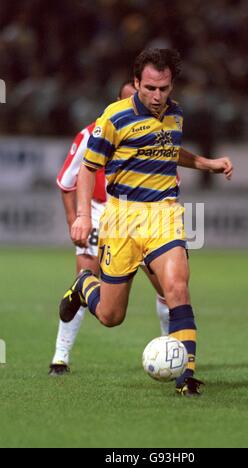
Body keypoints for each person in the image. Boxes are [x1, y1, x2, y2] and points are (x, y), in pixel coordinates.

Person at [59, 49, 233, 396]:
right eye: (150, 88)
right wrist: (81, 215)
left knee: (177, 289)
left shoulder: (176, 114)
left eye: (164, 88)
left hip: (164, 214)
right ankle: (83, 286)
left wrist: (207, 163)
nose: (157, 96)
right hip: (122, 218)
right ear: (136, 82)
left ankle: (187, 375)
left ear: (172, 86)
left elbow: (170, 150)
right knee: (110, 316)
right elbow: (88, 168)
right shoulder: (114, 118)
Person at [49, 82, 170, 376]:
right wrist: (75, 219)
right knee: (86, 275)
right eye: (130, 99)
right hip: (101, 212)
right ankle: (60, 357)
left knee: (167, 287)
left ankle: (171, 349)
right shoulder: (93, 133)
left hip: (143, 214)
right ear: (117, 101)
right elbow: (67, 181)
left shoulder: (157, 131)